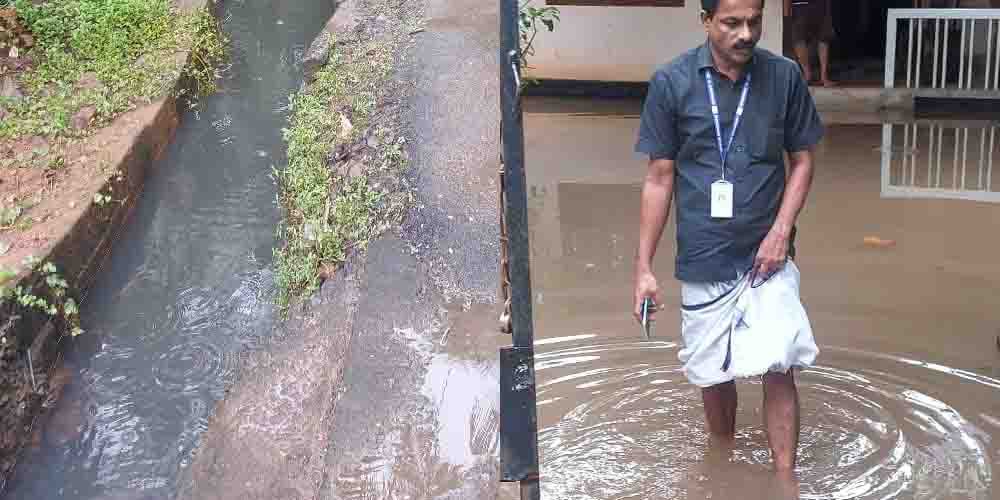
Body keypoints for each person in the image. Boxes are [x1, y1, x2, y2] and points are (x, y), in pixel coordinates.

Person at [632, 0, 823, 480]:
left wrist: (781, 231)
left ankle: (786, 479)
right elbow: (659, 178)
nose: (745, 34)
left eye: (754, 22)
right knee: (713, 374)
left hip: (768, 257)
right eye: (731, 23)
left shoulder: (784, 78)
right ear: (705, 22)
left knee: (781, 362)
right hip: (703, 256)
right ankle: (722, 465)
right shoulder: (672, 83)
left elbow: (802, 160)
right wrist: (644, 268)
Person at [785, 0, 836, 87]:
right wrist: (786, 10)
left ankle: (823, 77)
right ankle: (807, 74)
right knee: (798, 39)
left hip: (821, 4)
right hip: (799, 5)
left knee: (824, 37)